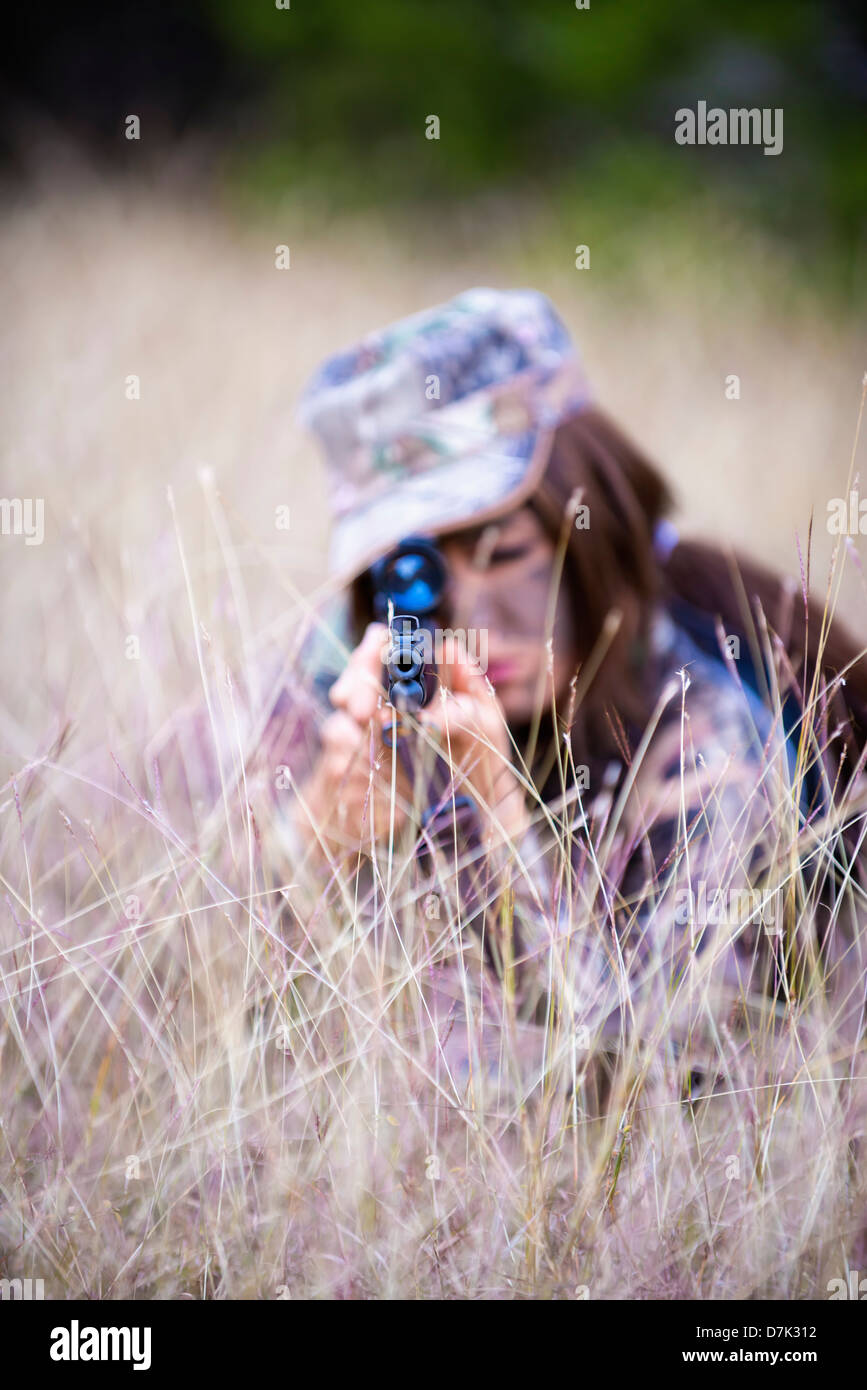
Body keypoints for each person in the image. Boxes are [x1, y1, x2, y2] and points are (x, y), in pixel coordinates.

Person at [277, 287, 867, 1090]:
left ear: (590, 525)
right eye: (414, 575)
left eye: (504, 552)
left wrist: (493, 823)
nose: (469, 617)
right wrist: (316, 845)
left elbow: (646, 1096)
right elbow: (211, 1012)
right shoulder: (349, 670)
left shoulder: (708, 739)